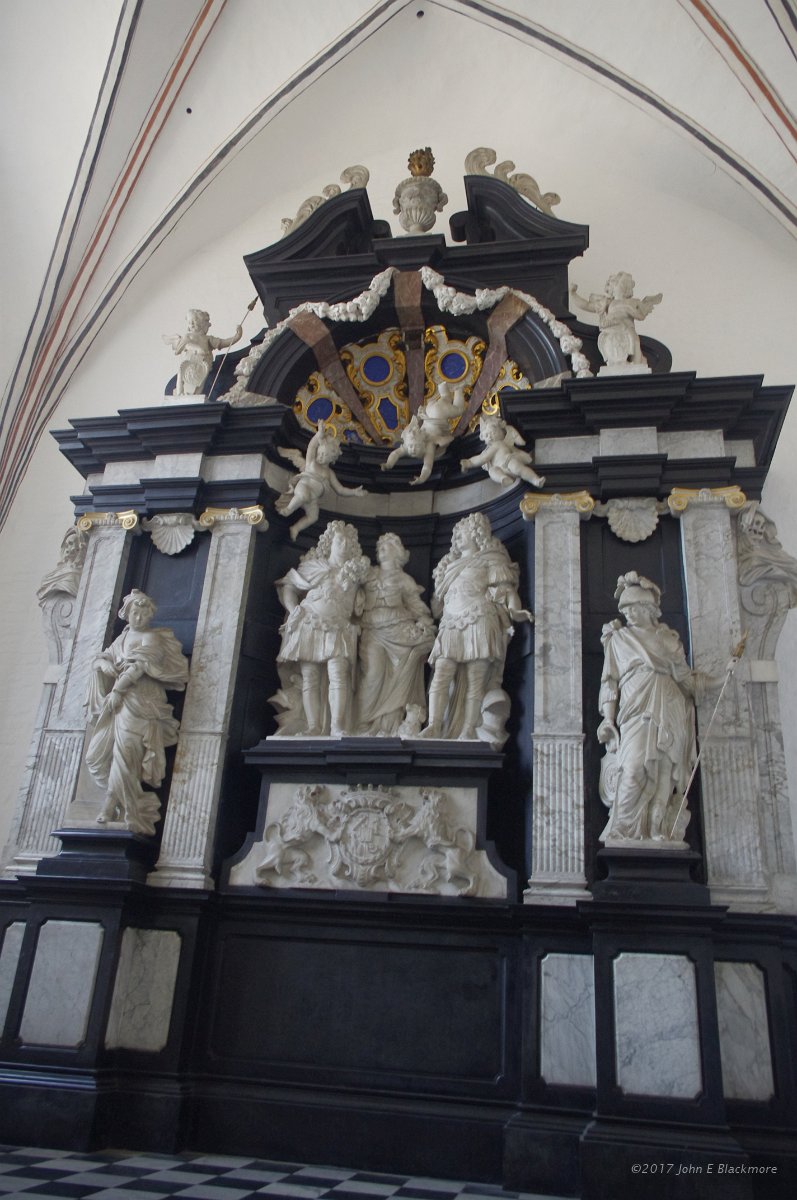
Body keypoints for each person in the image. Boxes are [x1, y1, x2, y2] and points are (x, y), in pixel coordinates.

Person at [597, 572, 706, 844]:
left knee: (663, 776)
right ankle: (622, 829)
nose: (628, 614)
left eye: (633, 608)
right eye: (625, 609)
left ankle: (657, 831)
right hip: (635, 710)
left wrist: (723, 676)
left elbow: (687, 680)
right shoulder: (619, 639)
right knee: (633, 769)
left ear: (648, 609)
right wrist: (608, 719)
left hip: (669, 706)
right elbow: (609, 682)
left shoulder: (668, 640)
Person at [85, 589, 189, 836]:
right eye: (135, 613)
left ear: (150, 616)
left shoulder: (151, 639)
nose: (139, 618)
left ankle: (114, 806)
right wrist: (104, 664)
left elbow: (137, 668)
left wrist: (117, 691)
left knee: (126, 757)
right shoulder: (121, 639)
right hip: (117, 705)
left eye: (144, 614)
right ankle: (120, 803)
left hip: (140, 704)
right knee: (97, 755)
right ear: (127, 613)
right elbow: (101, 659)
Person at [420, 512, 532, 742]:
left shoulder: (492, 559)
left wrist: (515, 610)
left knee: (475, 679)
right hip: (451, 622)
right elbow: (437, 605)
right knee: (441, 672)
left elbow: (506, 590)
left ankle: (469, 729)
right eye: (456, 535)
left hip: (480, 618)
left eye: (462, 534)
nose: (457, 539)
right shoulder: (449, 566)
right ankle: (433, 725)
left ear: (476, 533)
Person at [276, 521, 370, 736]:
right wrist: (293, 610)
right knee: (310, 677)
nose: (344, 545)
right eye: (339, 540)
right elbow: (289, 586)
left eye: (348, 542)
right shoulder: (315, 567)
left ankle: (337, 726)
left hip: (339, 627)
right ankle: (313, 727)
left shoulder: (356, 572)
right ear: (330, 543)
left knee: (338, 674)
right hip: (311, 624)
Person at [357, 533, 435, 735]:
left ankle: (391, 725)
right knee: (372, 674)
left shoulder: (404, 580)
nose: (381, 549)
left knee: (401, 670)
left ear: (397, 552)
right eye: (380, 546)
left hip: (399, 633)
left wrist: (424, 622)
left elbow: (416, 607)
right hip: (373, 631)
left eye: (387, 546)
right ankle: (362, 724)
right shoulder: (368, 574)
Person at [276, 423, 366, 541]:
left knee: (313, 517)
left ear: (332, 459)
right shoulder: (311, 462)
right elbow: (311, 447)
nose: (320, 456)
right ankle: (288, 509)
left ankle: (295, 528)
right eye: (319, 453)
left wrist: (353, 492)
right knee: (303, 496)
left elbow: (340, 489)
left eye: (324, 455)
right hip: (304, 487)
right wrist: (319, 435)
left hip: (313, 499)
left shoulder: (329, 473)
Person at [570, 272, 661, 368]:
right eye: (615, 285)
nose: (618, 288)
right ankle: (615, 361)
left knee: (634, 339)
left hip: (627, 330)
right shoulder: (607, 303)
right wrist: (573, 294)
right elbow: (586, 305)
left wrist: (629, 310)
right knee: (617, 344)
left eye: (621, 285)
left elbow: (640, 316)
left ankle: (637, 361)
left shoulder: (632, 302)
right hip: (611, 332)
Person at [162, 308, 243, 395]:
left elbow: (223, 342)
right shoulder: (188, 336)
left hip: (203, 364)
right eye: (189, 322)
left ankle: (196, 395)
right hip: (189, 362)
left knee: (201, 381)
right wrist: (195, 348)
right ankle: (179, 393)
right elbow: (179, 349)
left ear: (201, 322)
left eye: (194, 321)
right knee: (181, 374)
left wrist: (237, 336)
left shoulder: (207, 339)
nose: (191, 324)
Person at [460, 414, 545, 488]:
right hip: (500, 468)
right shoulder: (491, 448)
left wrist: (469, 463)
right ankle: (504, 478)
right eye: (486, 435)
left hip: (509, 461)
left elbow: (483, 458)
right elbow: (482, 458)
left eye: (493, 433)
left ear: (502, 431)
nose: (490, 437)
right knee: (492, 471)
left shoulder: (499, 444)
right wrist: (469, 463)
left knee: (519, 469)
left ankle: (535, 480)